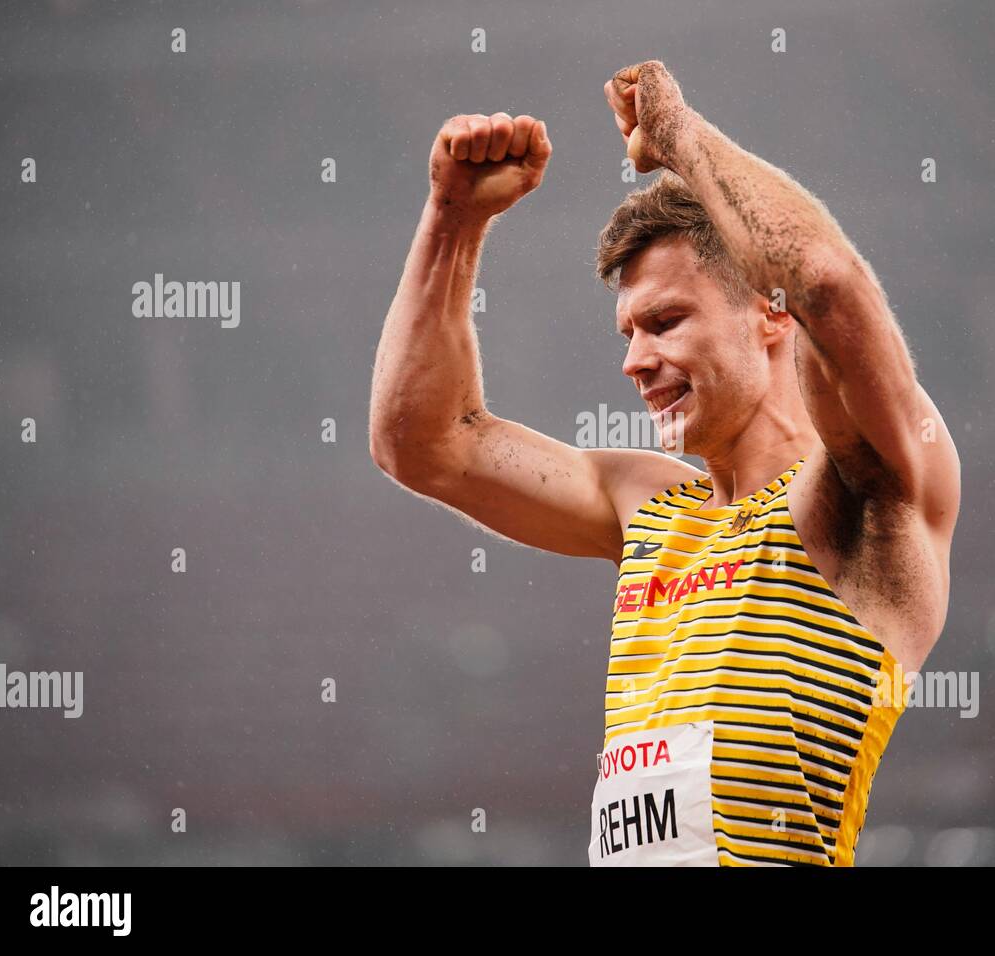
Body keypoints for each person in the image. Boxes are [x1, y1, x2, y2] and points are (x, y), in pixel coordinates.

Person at [369, 60, 961, 866]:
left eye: (667, 321)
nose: (635, 362)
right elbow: (421, 439)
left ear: (769, 311)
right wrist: (452, 220)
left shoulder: (857, 489)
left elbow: (824, 277)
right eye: (628, 334)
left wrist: (683, 140)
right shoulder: (645, 504)